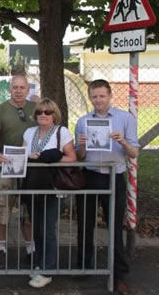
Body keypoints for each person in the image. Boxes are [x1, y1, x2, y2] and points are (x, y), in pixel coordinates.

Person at [75, 79, 139, 295]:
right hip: (90, 176)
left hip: (115, 176)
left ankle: (119, 275)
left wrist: (122, 142)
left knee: (114, 226)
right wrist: (82, 146)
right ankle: (83, 267)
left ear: (110, 96)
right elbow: (80, 156)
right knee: (85, 224)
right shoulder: (83, 121)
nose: (98, 100)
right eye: (94, 96)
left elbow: (134, 153)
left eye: (102, 96)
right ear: (90, 97)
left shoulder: (125, 118)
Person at [22, 99, 76, 288]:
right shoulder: (29, 133)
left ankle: (48, 269)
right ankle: (40, 262)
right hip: (32, 185)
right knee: (36, 227)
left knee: (47, 228)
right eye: (39, 112)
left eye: (47, 112)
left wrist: (51, 159)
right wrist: (29, 157)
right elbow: (22, 155)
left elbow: (72, 158)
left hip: (52, 187)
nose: (43, 115)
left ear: (54, 114)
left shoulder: (62, 132)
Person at [0, 74, 36, 269]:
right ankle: (1, 248)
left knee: (28, 210)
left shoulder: (35, 109)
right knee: (3, 207)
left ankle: (31, 250)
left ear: (27, 89)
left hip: (30, 165)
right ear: (10, 89)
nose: (18, 91)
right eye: (15, 87)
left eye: (22, 87)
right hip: (6, 164)